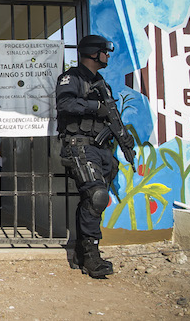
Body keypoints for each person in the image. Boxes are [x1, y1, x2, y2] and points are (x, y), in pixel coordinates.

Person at [56, 34, 130, 279]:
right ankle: (91, 255)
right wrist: (95, 108)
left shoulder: (102, 83)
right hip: (80, 146)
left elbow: (111, 117)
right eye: (104, 51)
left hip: (101, 149)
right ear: (92, 52)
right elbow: (65, 104)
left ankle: (80, 250)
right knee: (96, 196)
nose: (107, 55)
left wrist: (123, 137)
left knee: (95, 200)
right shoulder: (72, 78)